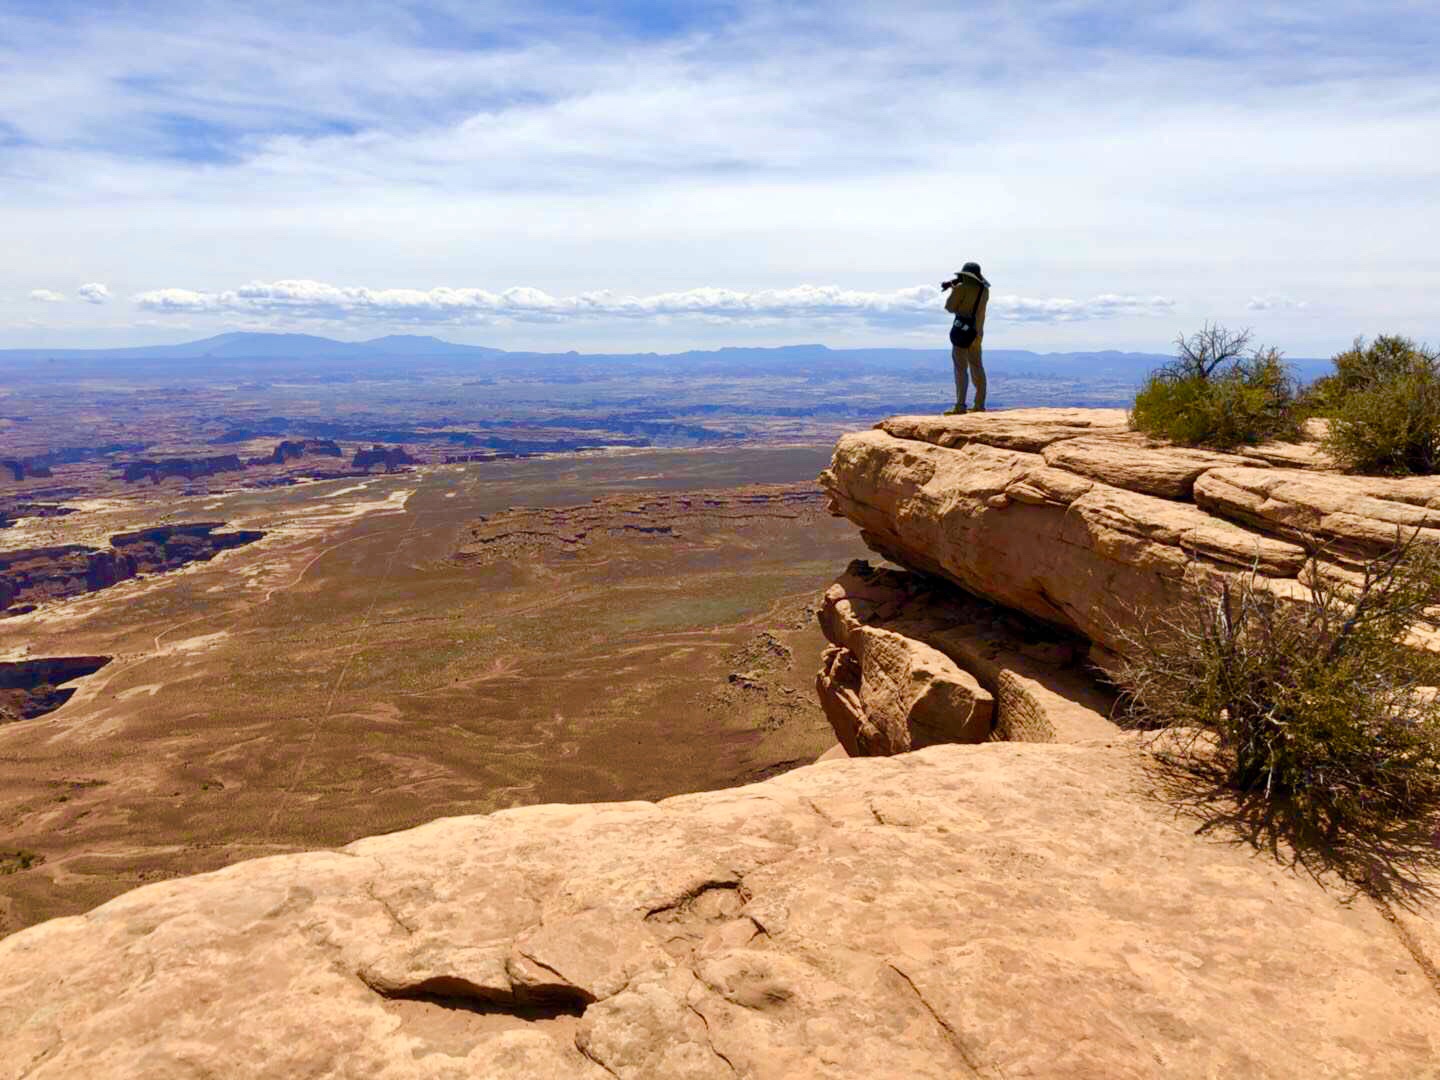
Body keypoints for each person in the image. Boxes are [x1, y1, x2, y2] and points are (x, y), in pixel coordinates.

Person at [942, 261, 990, 414]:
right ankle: (979, 405)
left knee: (960, 369)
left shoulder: (961, 288)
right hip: (977, 334)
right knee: (977, 367)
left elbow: (949, 307)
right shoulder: (984, 290)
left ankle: (960, 406)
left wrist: (954, 290)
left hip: (962, 333)